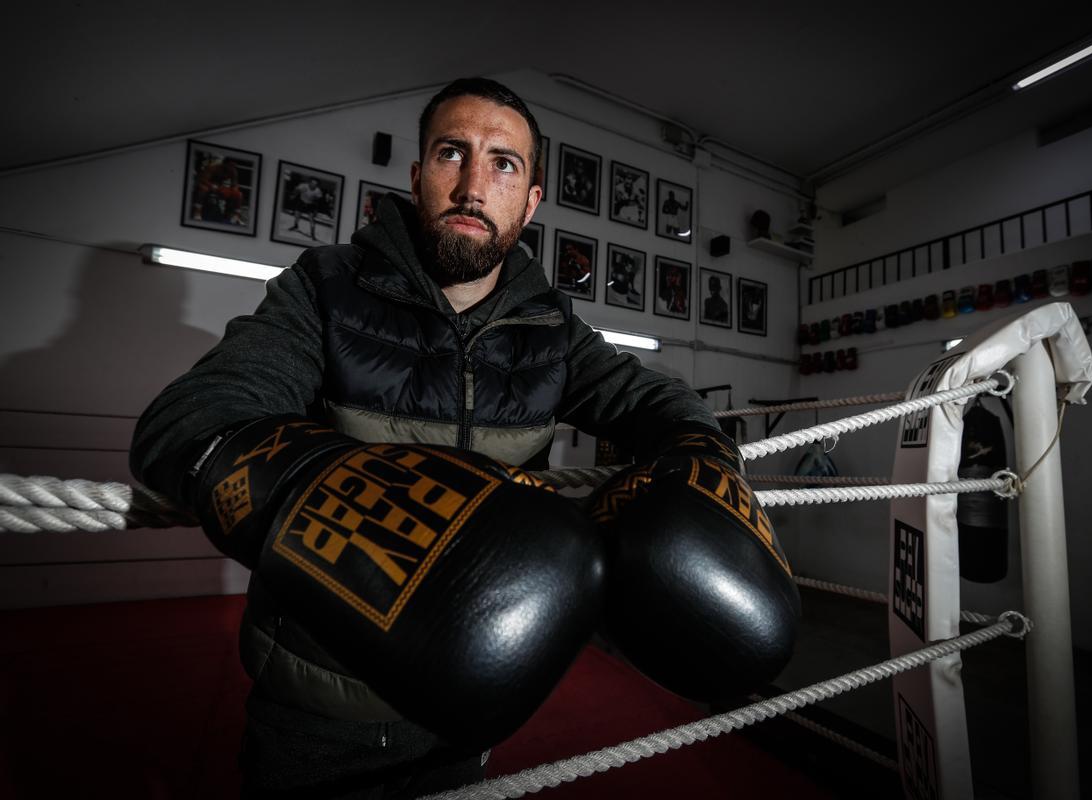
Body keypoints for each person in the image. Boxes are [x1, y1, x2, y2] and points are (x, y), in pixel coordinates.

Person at [131, 77, 797, 798]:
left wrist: (701, 456)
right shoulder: (326, 287)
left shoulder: (551, 330)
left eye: (504, 163)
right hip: (319, 702)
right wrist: (334, 496)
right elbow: (191, 421)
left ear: (532, 199)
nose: (474, 184)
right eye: (454, 153)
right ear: (419, 177)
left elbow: (660, 402)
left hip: (474, 708)